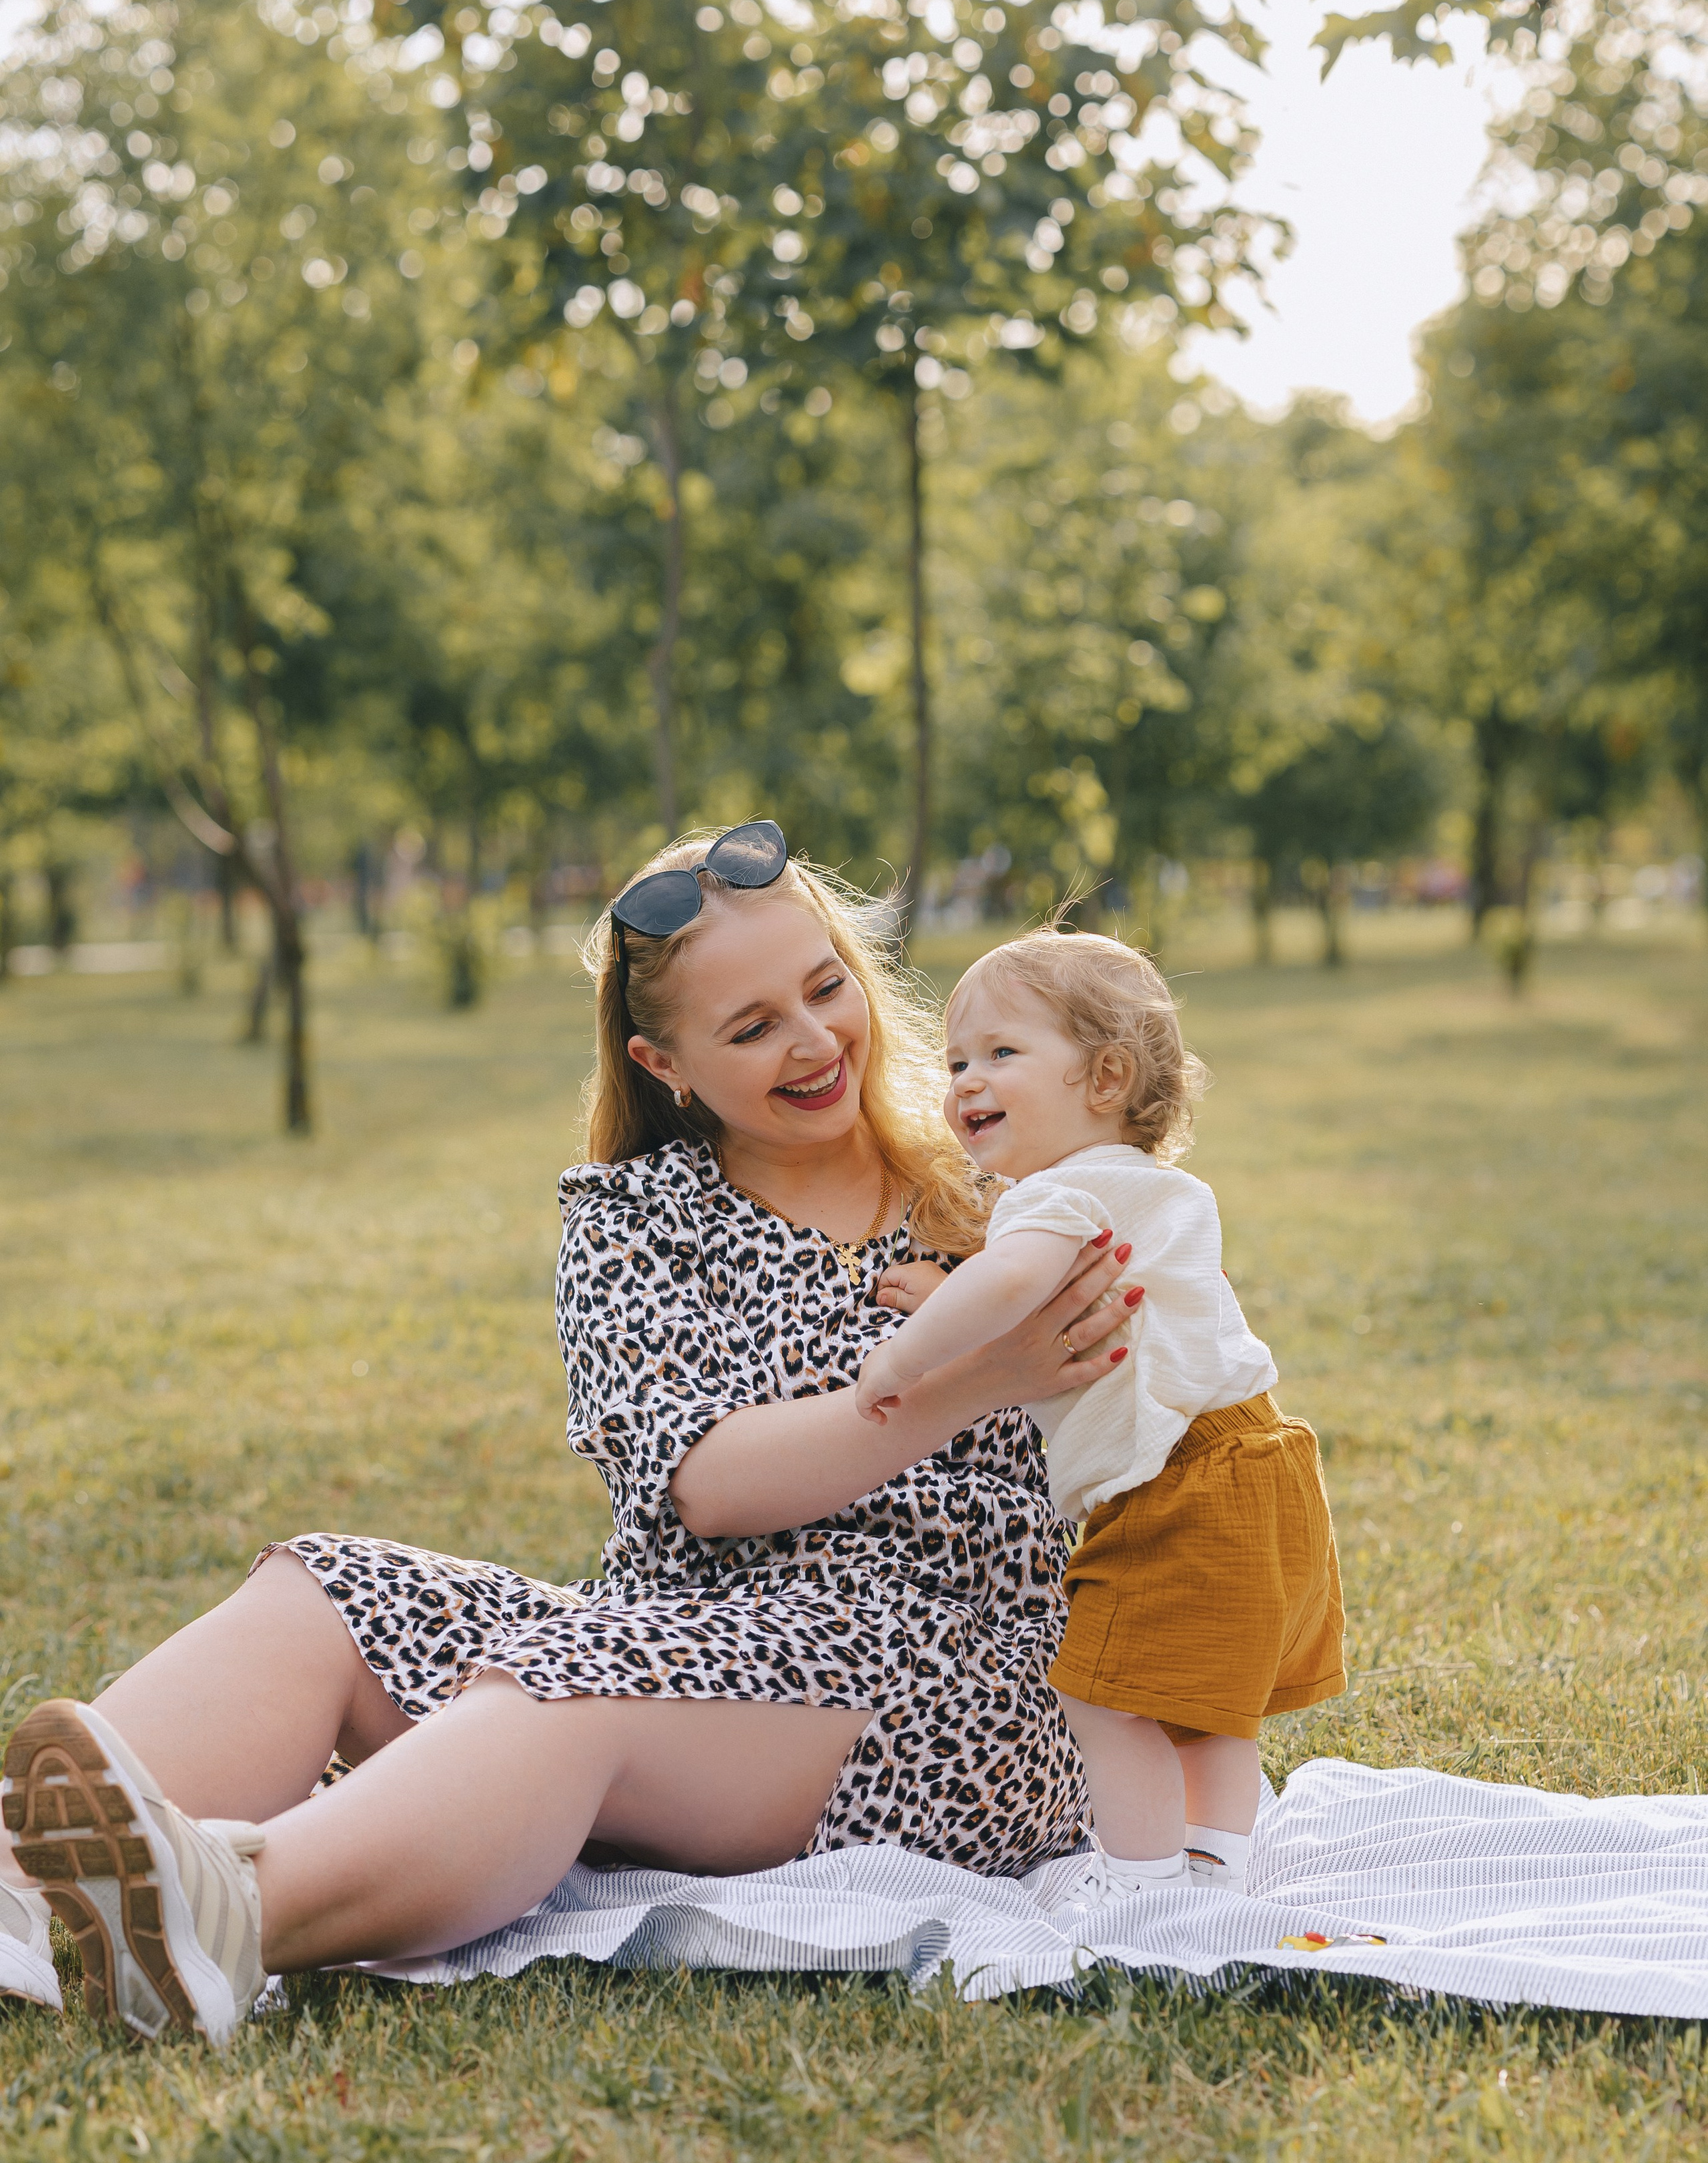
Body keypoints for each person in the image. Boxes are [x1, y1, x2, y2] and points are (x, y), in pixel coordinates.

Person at [0, 827, 1134, 2040]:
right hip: (684, 1635)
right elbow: (705, 1484)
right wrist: (961, 1385)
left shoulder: (1012, 1186)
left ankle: (241, 1915)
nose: (813, 1043)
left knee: (560, 1684)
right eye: (750, 1028)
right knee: (323, 1587)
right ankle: (14, 1893)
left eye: (824, 986)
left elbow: (1184, 1416)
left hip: (964, 1692)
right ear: (667, 1061)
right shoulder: (630, 1222)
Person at [855, 929, 1345, 1911]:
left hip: (1178, 1482)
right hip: (1258, 1459)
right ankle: (1213, 1869)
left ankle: (1140, 1889)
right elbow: (1033, 1294)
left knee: (1100, 1692)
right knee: (1212, 1711)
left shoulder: (1056, 1191)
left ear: (1106, 1076)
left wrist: (903, 1357)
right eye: (955, 1061)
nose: (964, 1082)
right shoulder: (1131, 1188)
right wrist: (944, 1293)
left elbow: (1015, 1282)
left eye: (1000, 1053)